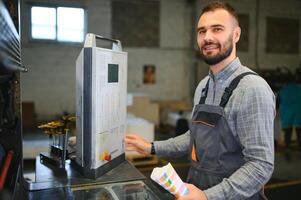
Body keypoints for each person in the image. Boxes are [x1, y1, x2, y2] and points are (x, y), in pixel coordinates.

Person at [125, 1, 275, 199]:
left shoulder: (252, 89)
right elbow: (194, 137)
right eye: (202, 31)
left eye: (217, 29)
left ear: (236, 34)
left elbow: (261, 165)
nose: (207, 37)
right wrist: (151, 147)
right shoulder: (203, 86)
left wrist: (208, 196)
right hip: (195, 188)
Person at [278, 81, 301, 161]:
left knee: (288, 132)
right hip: (299, 113)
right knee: (299, 132)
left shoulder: (283, 90)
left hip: (287, 113)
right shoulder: (299, 89)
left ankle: (287, 150)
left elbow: (277, 102)